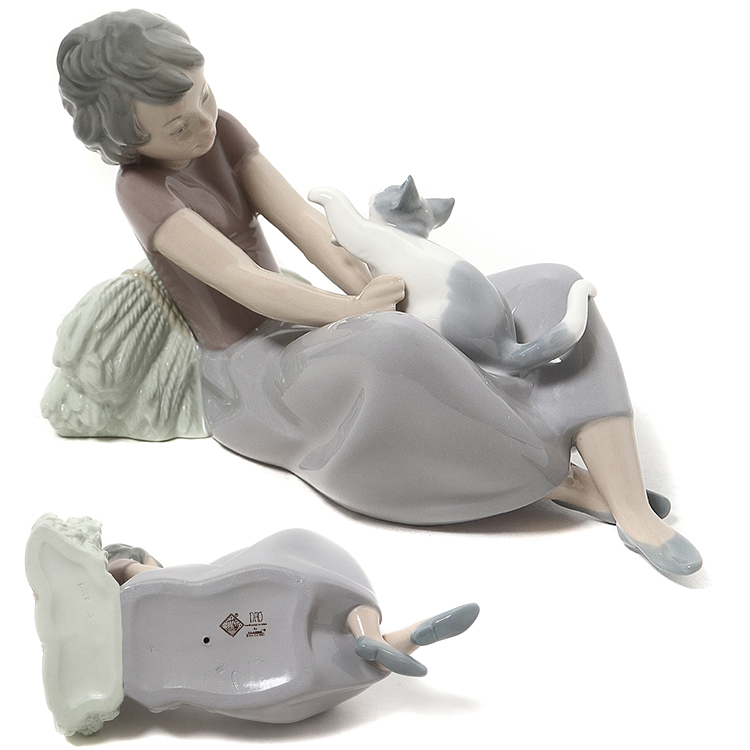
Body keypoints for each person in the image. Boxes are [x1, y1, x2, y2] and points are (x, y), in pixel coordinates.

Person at [55, 10, 701, 576]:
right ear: (129, 141)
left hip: (308, 319)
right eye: (177, 126)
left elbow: (308, 227)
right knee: (393, 344)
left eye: (206, 96)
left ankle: (629, 501)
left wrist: (371, 287)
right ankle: (557, 475)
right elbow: (243, 281)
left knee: (552, 286)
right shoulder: (141, 191)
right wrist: (352, 314)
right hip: (250, 371)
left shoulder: (222, 132)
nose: (203, 123)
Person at [26, 514, 478, 734]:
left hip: (166, 673)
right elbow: (143, 571)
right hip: (207, 612)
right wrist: (136, 568)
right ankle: (381, 635)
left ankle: (390, 639)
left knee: (328, 662)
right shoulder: (138, 572)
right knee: (326, 612)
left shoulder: (134, 578)